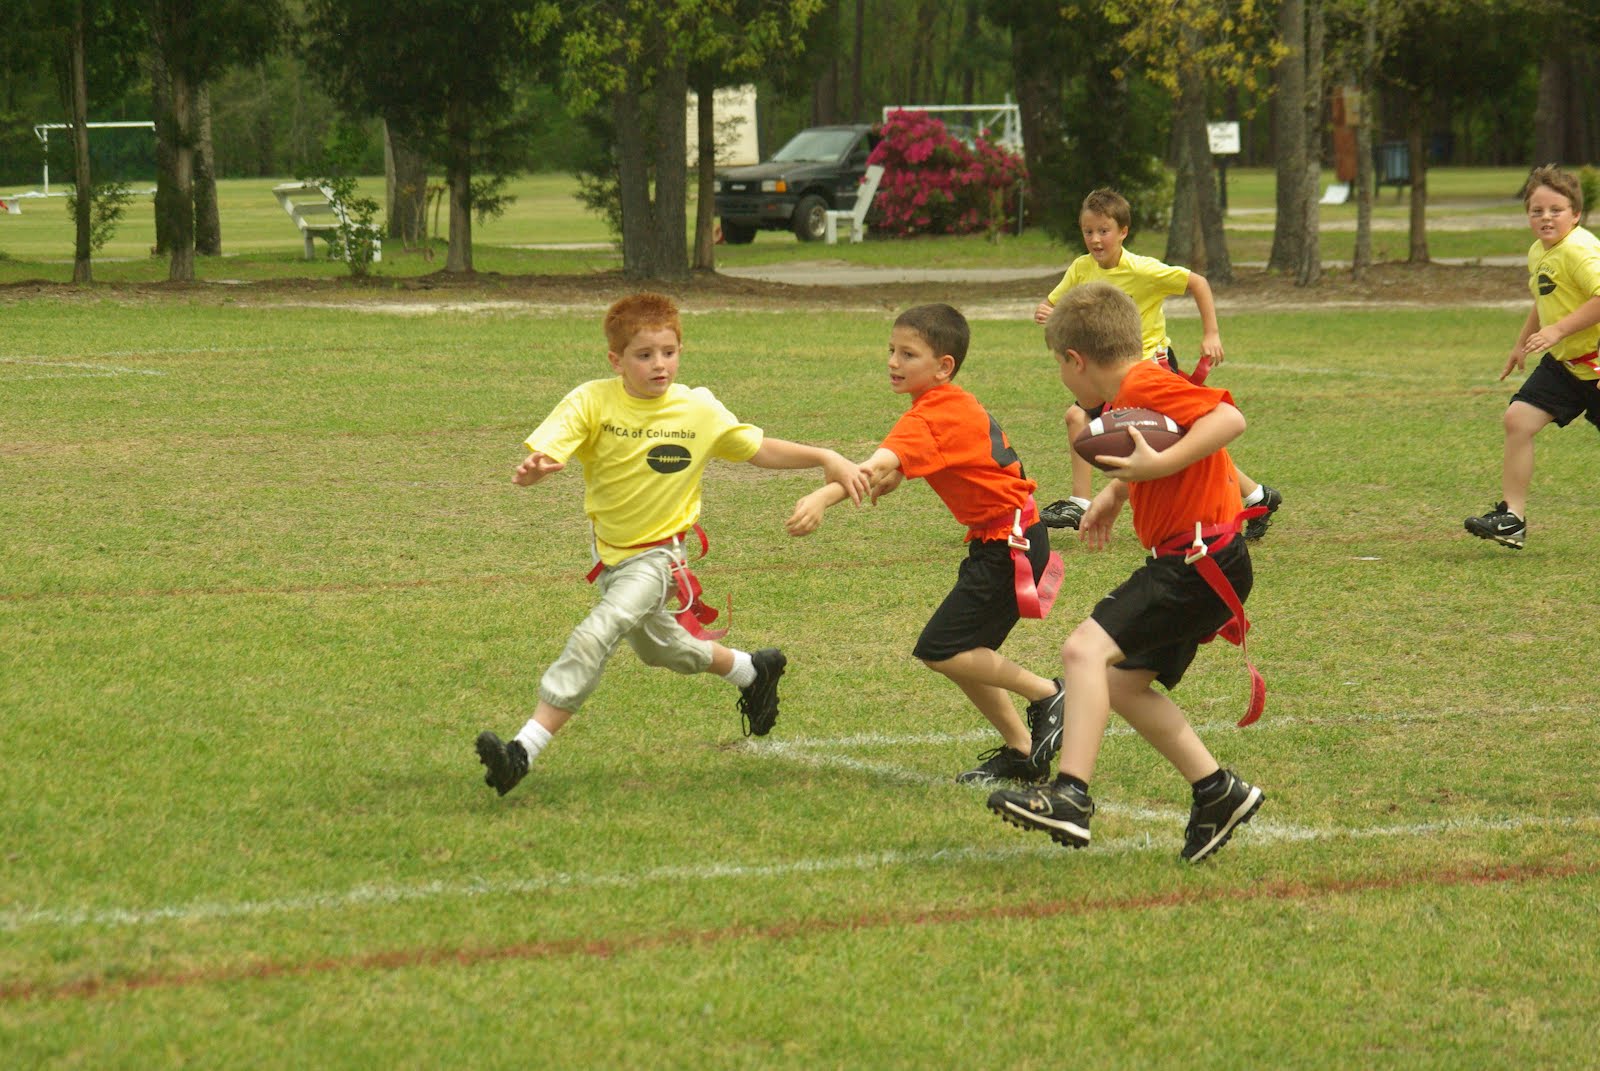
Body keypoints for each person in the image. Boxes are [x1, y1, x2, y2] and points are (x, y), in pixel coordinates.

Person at [475, 292, 871, 797]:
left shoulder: (697, 409)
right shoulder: (591, 400)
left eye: (669, 351)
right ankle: (754, 672)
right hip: (610, 556)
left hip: (659, 558)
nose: (659, 364)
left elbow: (758, 449)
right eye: (644, 355)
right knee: (662, 649)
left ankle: (522, 750)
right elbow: (548, 454)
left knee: (601, 631)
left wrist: (826, 457)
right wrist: (536, 471)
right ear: (616, 360)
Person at [989, 282, 1264, 862]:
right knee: (1120, 685)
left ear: (1075, 360)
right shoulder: (1132, 393)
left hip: (1197, 559)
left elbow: (1228, 419)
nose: (1063, 381)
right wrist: (1119, 490)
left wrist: (1157, 463)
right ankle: (1217, 792)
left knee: (1083, 653)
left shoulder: (1142, 382)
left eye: (1059, 369)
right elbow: (1174, 435)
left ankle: (1070, 796)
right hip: (1203, 557)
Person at [786, 303, 1068, 786]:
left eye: (908, 354)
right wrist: (900, 473)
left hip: (1010, 544)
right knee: (963, 653)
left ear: (944, 367)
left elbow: (872, 465)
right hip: (1007, 537)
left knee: (941, 649)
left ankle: (1048, 694)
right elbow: (946, 457)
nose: (894, 362)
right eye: (891, 351)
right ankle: (1023, 752)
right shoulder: (948, 402)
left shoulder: (930, 415)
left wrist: (822, 496)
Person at [1032, 188, 1282, 541]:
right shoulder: (1081, 268)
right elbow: (1057, 305)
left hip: (1150, 366)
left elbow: (1198, 282)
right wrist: (1048, 312)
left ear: (1123, 232)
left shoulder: (1142, 269)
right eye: (1088, 231)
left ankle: (1081, 502)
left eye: (1103, 230)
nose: (1095, 239)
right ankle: (1258, 495)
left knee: (1170, 435)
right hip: (1110, 370)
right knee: (1100, 422)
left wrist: (1211, 333)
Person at [1464, 164, 1600, 550]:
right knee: (1518, 419)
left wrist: (1557, 331)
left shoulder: (1579, 250)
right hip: (1568, 364)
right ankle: (1512, 519)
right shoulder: (1541, 251)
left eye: (1556, 210)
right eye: (1537, 210)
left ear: (1575, 214)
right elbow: (1545, 297)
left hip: (1595, 360)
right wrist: (1521, 342)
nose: (1545, 217)